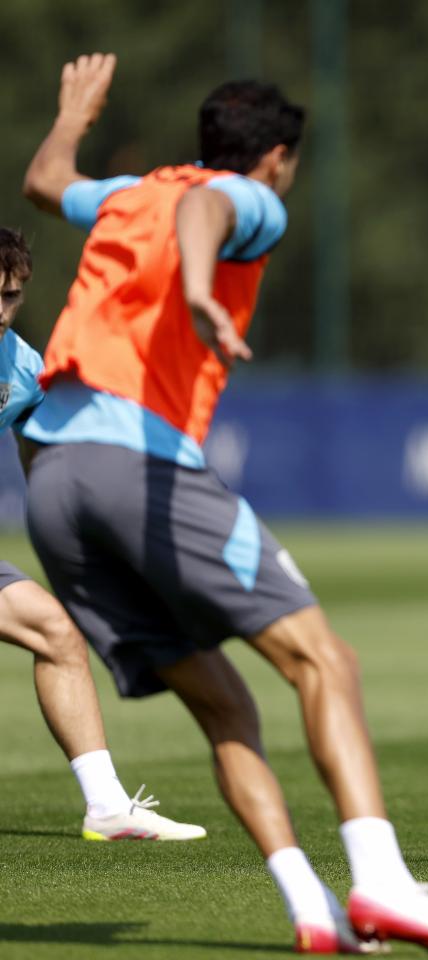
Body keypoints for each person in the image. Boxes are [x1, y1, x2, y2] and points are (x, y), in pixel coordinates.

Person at [22, 53, 428, 955]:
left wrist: (75, 114)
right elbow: (211, 207)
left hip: (49, 483)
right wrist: (201, 286)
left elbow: (45, 181)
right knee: (327, 663)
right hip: (136, 466)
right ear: (276, 157)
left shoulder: (127, 194)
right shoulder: (251, 198)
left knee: (226, 708)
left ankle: (311, 908)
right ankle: (383, 885)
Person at [0, 227, 204, 843]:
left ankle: (107, 806)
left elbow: (43, 464)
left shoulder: (22, 366)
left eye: (10, 296)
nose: (0, 311)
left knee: (58, 632)